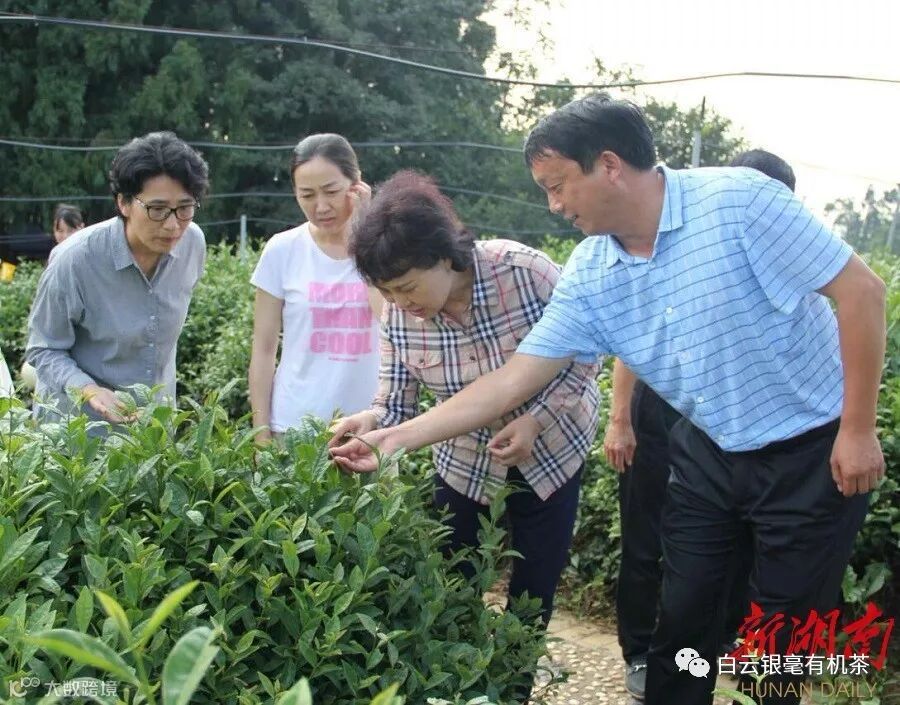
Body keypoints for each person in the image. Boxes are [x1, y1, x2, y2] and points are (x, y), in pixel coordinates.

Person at [330, 95, 885, 705]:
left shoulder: (742, 202)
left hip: (808, 450)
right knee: (684, 616)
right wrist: (393, 438)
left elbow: (862, 292)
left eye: (557, 185)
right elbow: (513, 379)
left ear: (610, 166)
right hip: (708, 448)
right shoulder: (592, 271)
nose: (553, 205)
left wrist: (857, 429)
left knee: (782, 633)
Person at [329, 170, 600, 633]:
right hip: (464, 462)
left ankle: (519, 673)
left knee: (534, 590)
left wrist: (537, 419)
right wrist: (371, 421)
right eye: (387, 291)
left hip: (553, 451)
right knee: (453, 586)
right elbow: (395, 402)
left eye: (407, 287)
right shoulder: (398, 315)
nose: (400, 302)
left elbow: (586, 351)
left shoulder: (526, 272)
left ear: (442, 256)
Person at [603, 149, 802, 701]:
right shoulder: (676, 244)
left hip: (731, 421)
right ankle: (641, 651)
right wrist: (620, 419)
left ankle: (711, 652)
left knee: (725, 548)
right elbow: (632, 337)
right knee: (646, 540)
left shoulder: (788, 256)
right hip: (662, 410)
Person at [26, 131, 208, 426]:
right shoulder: (75, 261)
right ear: (123, 203)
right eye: (157, 209)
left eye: (185, 208)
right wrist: (89, 390)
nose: (173, 225)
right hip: (79, 433)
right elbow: (44, 348)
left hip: (151, 428)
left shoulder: (193, 245)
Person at [248, 134, 379, 443]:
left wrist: (366, 238)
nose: (321, 206)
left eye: (331, 191)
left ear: (357, 184)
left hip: (370, 427)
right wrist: (260, 434)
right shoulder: (282, 250)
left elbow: (390, 321)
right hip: (294, 427)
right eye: (307, 195)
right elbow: (263, 349)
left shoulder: (384, 249)